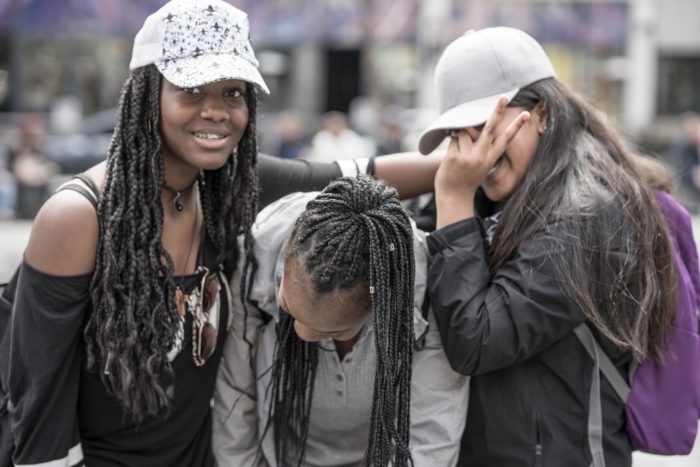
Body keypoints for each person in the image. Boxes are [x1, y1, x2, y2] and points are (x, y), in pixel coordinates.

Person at [1, 1, 442, 465]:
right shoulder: (77, 217)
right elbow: (38, 403)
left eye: (233, 93)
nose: (216, 111)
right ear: (148, 94)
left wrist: (475, 164)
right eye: (191, 89)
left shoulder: (229, 185)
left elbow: (361, 173)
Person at [418, 28, 678, 466]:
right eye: (457, 135)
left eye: (485, 126)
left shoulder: (591, 215)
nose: (477, 150)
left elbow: (476, 340)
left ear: (541, 113)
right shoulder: (495, 194)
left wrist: (454, 198)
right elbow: (422, 249)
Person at [212, 175, 469, 466]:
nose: (302, 333)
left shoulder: (425, 290)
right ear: (287, 254)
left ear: (382, 300)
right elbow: (235, 394)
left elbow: (433, 432)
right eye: (287, 308)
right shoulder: (255, 260)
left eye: (331, 331)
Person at [671, 111, 700, 213]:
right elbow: (681, 170)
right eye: (689, 132)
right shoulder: (684, 148)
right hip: (693, 196)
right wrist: (693, 174)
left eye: (695, 129)